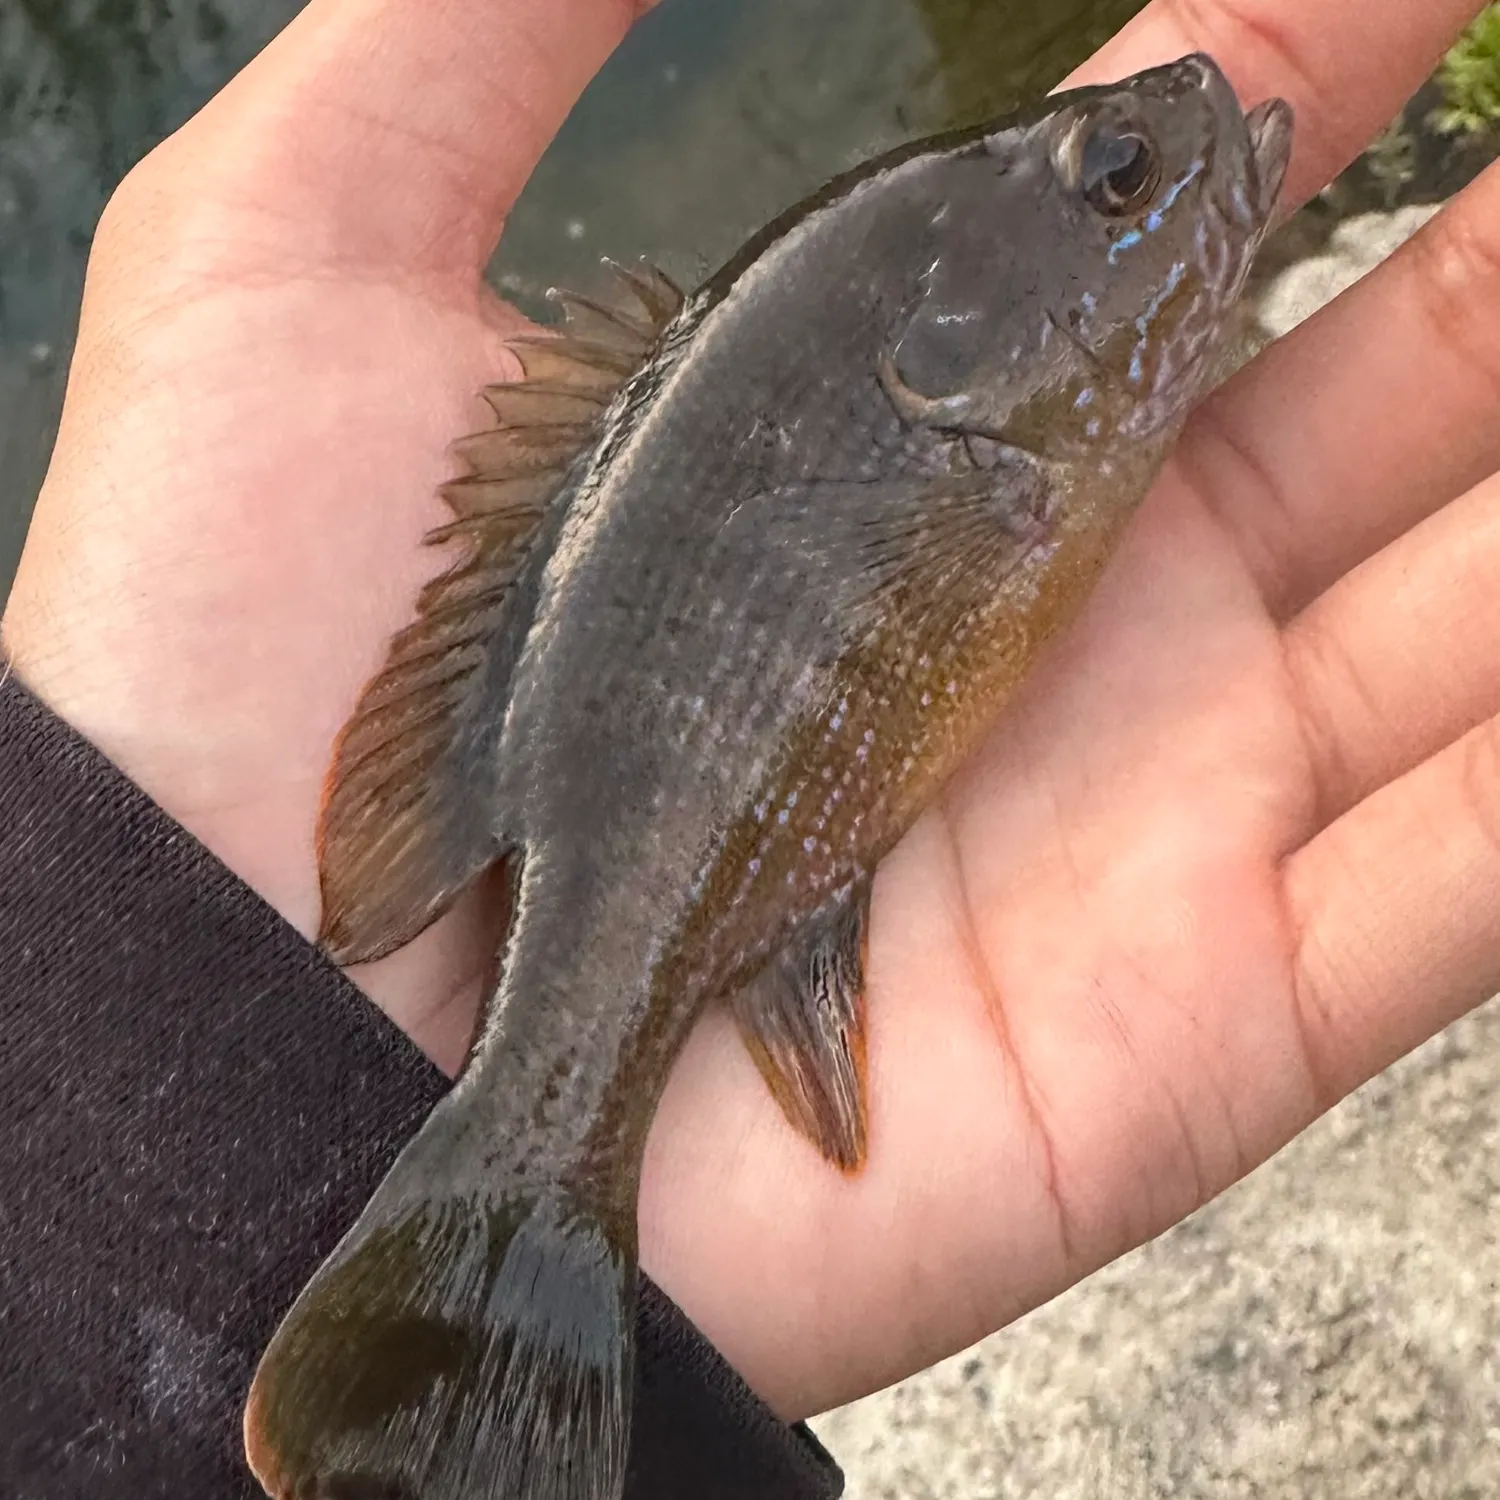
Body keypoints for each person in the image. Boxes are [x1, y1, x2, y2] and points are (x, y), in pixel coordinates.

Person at [3, 0, 1499, 1492]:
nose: (1157, 158)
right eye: (1113, 173)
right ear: (953, 338)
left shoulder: (995, 438)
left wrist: (146, 1063)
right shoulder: (989, 449)